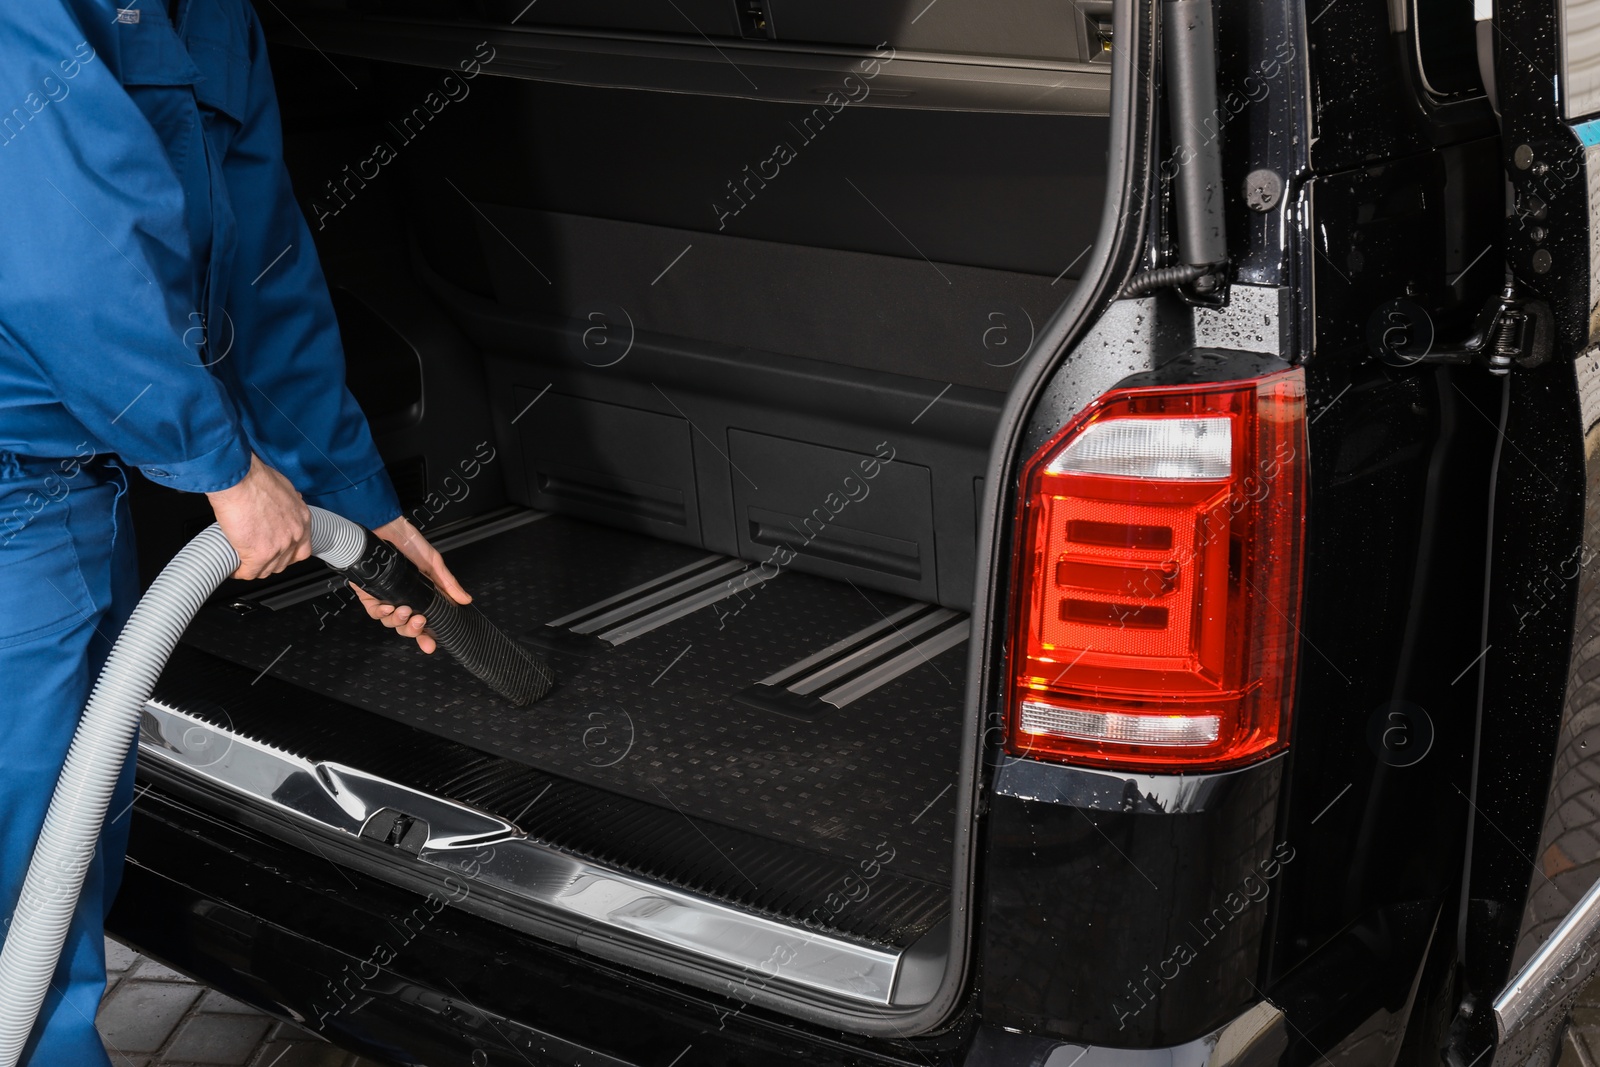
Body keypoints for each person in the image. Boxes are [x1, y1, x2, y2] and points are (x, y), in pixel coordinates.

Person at [0, 2, 469, 1061]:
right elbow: (58, 247)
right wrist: (218, 463)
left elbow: (260, 263)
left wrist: (358, 497)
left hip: (69, 486)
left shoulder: (212, 16)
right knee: (18, 891)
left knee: (62, 862)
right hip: (11, 487)